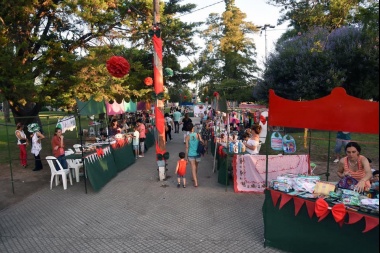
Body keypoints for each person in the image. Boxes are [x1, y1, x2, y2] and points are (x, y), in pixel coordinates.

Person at [185, 123, 203, 187]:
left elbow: (187, 147)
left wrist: (186, 157)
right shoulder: (198, 134)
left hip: (191, 154)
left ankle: (195, 182)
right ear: (193, 128)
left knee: (193, 167)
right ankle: (194, 177)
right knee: (196, 166)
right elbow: (201, 142)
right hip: (198, 153)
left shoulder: (187, 137)